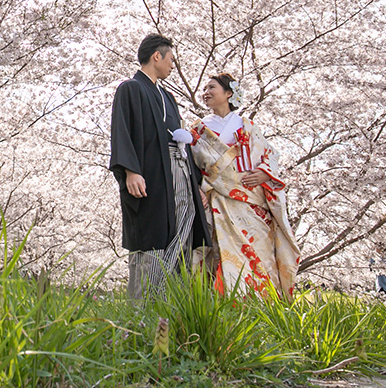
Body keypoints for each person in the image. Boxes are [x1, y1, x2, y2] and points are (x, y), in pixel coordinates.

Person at [110, 34, 211, 301]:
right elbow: (122, 131)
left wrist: (194, 183)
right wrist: (131, 170)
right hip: (152, 173)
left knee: (182, 230)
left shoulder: (167, 97)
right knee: (152, 234)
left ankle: (169, 307)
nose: (172, 66)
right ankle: (143, 311)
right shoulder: (130, 88)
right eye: (171, 60)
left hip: (178, 171)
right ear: (157, 56)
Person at [189, 73, 300, 298]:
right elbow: (190, 166)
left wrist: (263, 173)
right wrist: (197, 188)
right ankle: (224, 306)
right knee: (221, 255)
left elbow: (269, 154)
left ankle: (261, 305)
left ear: (229, 93)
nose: (206, 92)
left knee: (258, 254)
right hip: (217, 199)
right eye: (205, 89)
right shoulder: (198, 129)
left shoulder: (248, 126)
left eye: (212, 88)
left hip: (251, 203)